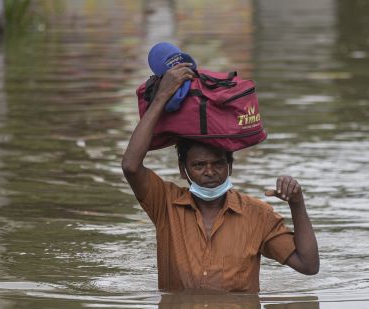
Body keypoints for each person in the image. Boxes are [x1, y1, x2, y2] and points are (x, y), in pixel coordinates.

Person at [122, 63, 319, 292]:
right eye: (198, 165)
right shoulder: (165, 204)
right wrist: (162, 96)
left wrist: (297, 203)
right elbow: (130, 166)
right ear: (183, 169)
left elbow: (309, 265)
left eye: (218, 164)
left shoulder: (258, 216)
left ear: (230, 166)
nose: (209, 171)